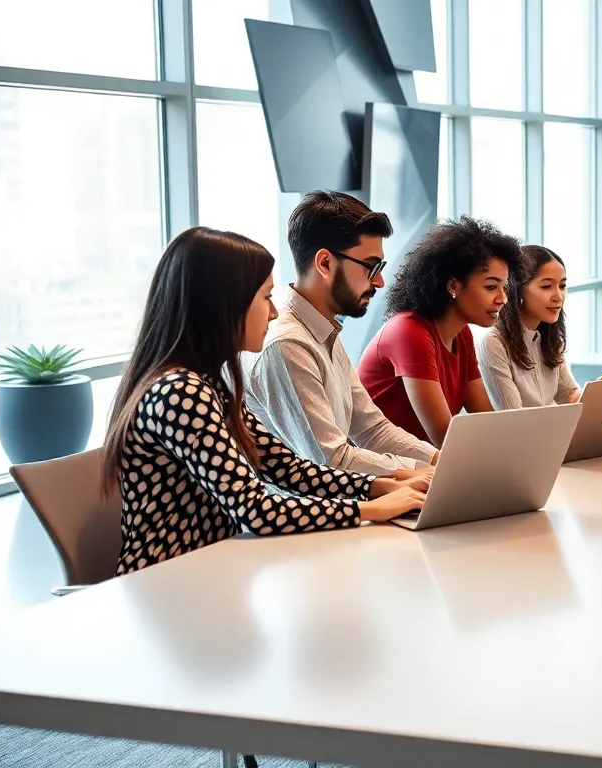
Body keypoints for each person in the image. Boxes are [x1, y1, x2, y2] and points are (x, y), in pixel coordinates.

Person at [102, 227, 427, 575]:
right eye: (265, 297)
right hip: (168, 583)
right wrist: (370, 508)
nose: (273, 313)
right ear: (223, 305)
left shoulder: (210, 385)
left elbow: (287, 469)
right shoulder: (179, 391)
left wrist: (383, 485)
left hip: (213, 572)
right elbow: (254, 508)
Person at [246, 190, 439, 476]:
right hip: (307, 515)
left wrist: (440, 461)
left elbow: (373, 430)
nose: (381, 281)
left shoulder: (324, 332)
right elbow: (329, 460)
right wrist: (426, 471)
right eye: (371, 267)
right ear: (325, 263)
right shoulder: (287, 344)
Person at [357, 216, 519, 445]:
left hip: (420, 465)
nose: (502, 299)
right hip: (383, 471)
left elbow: (485, 418)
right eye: (491, 287)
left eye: (504, 287)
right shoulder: (409, 331)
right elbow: (444, 436)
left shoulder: (462, 335)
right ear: (453, 286)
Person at [476, 245, 602, 409]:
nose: (559, 297)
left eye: (562, 286)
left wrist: (594, 393)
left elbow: (569, 394)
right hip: (526, 433)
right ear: (518, 291)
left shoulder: (550, 336)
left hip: (558, 429)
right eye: (546, 286)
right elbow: (512, 417)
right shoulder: (493, 342)